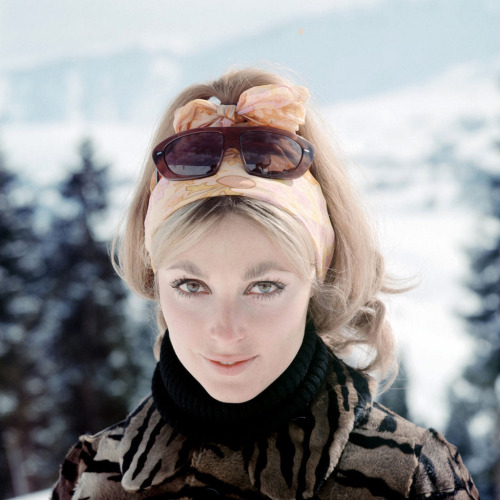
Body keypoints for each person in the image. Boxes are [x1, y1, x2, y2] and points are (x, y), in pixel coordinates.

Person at [52, 67, 479, 499]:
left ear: (319, 275)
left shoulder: (407, 477)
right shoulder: (94, 475)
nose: (225, 330)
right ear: (154, 278)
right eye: (191, 285)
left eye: (265, 287)